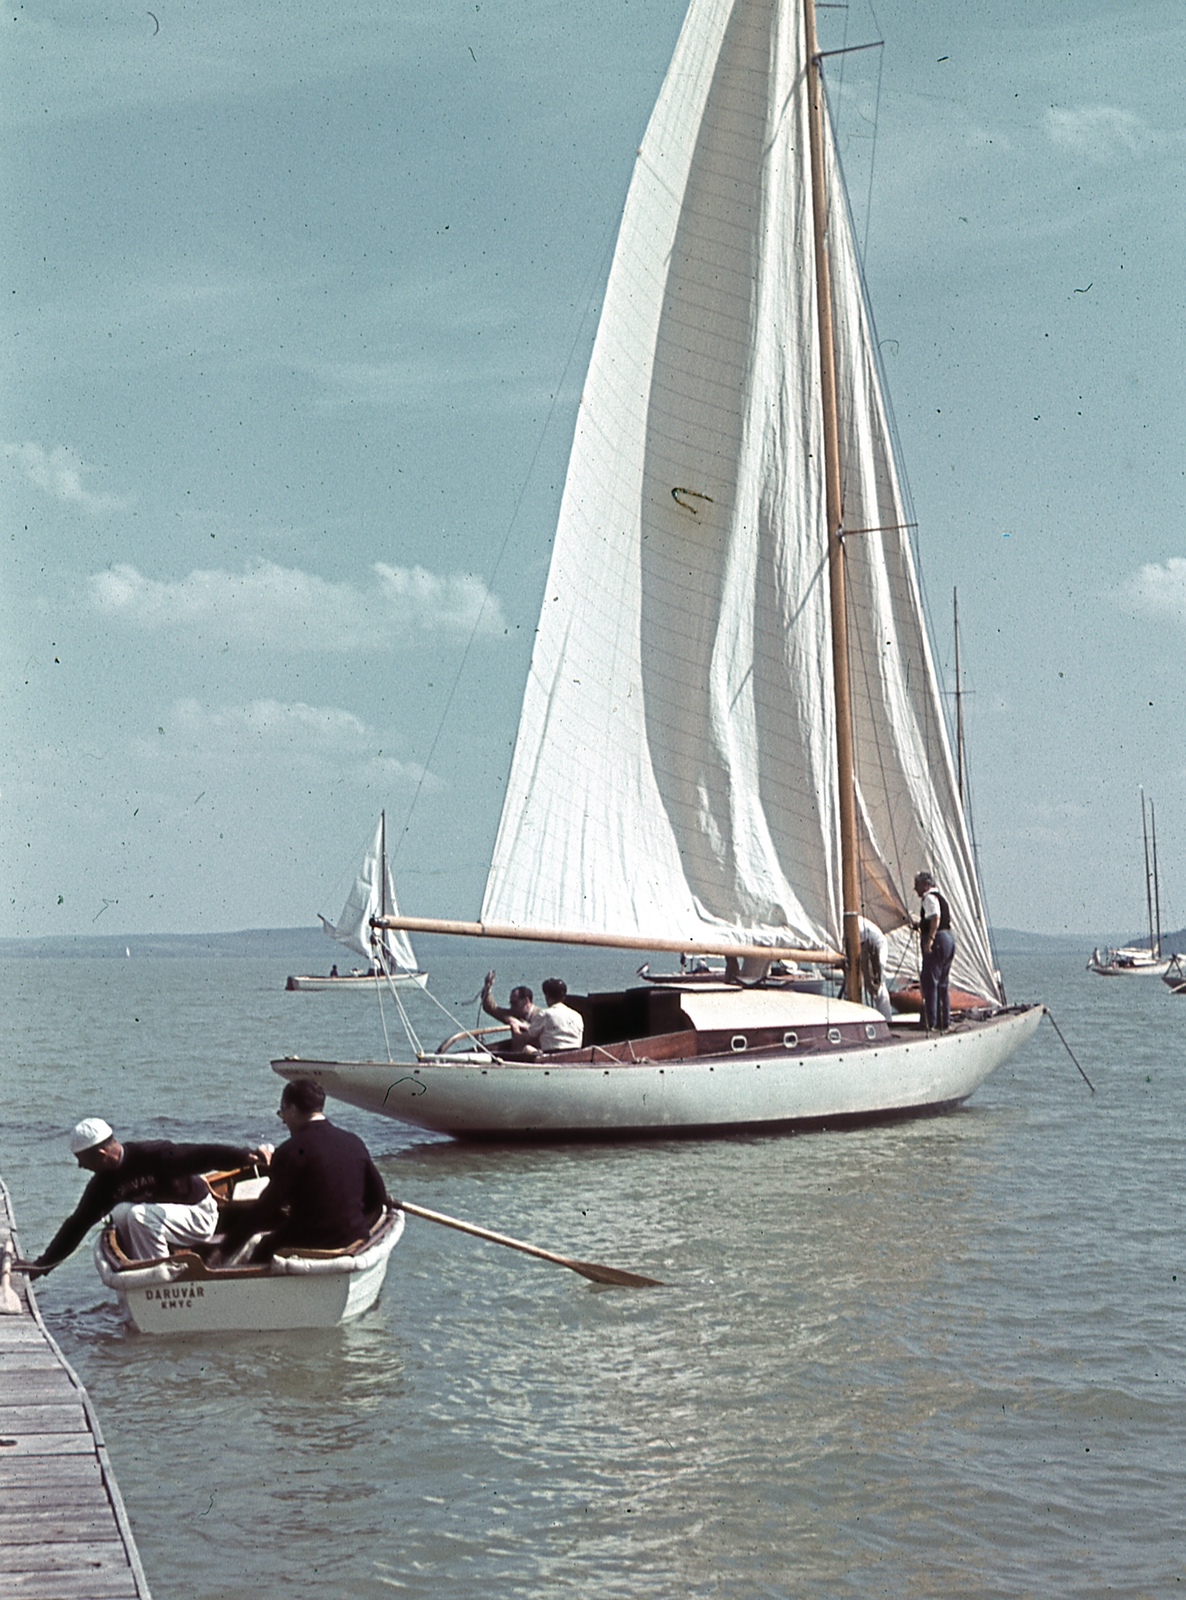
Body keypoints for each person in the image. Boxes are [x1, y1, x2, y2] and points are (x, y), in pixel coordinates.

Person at [22, 1118, 270, 1274]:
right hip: (161, 1221)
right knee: (120, 1214)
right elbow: (77, 1224)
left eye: (82, 1160)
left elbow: (203, 1155)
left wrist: (246, 1156)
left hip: (198, 1214)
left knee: (139, 1215)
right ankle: (147, 1269)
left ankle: (161, 1275)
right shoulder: (102, 1185)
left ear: (100, 1153)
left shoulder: (153, 1154)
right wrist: (42, 1265)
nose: (80, 1166)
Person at [215, 1079, 388, 1264]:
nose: (284, 1121)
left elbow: (264, 1210)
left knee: (262, 1246)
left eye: (282, 1113)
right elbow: (377, 1198)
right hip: (354, 1239)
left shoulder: (290, 1151)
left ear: (292, 1110)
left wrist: (224, 1250)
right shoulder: (354, 1142)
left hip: (310, 1242)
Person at [914, 870, 956, 1031]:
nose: (915, 889)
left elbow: (935, 918)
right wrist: (920, 925)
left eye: (917, 885)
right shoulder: (940, 897)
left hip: (937, 940)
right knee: (942, 984)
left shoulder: (929, 898)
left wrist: (929, 940)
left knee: (930, 982)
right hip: (949, 940)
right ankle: (943, 1021)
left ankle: (929, 1022)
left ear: (926, 885)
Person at [509, 977, 584, 1057]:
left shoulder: (544, 1014)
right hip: (575, 1055)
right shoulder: (577, 1016)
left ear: (547, 997)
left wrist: (515, 1028)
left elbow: (526, 1038)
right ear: (563, 997)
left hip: (551, 1056)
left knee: (527, 1048)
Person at [857, 916, 893, 1023]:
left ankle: (887, 1020)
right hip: (864, 947)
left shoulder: (855, 923)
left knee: (876, 985)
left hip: (874, 948)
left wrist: (878, 966)